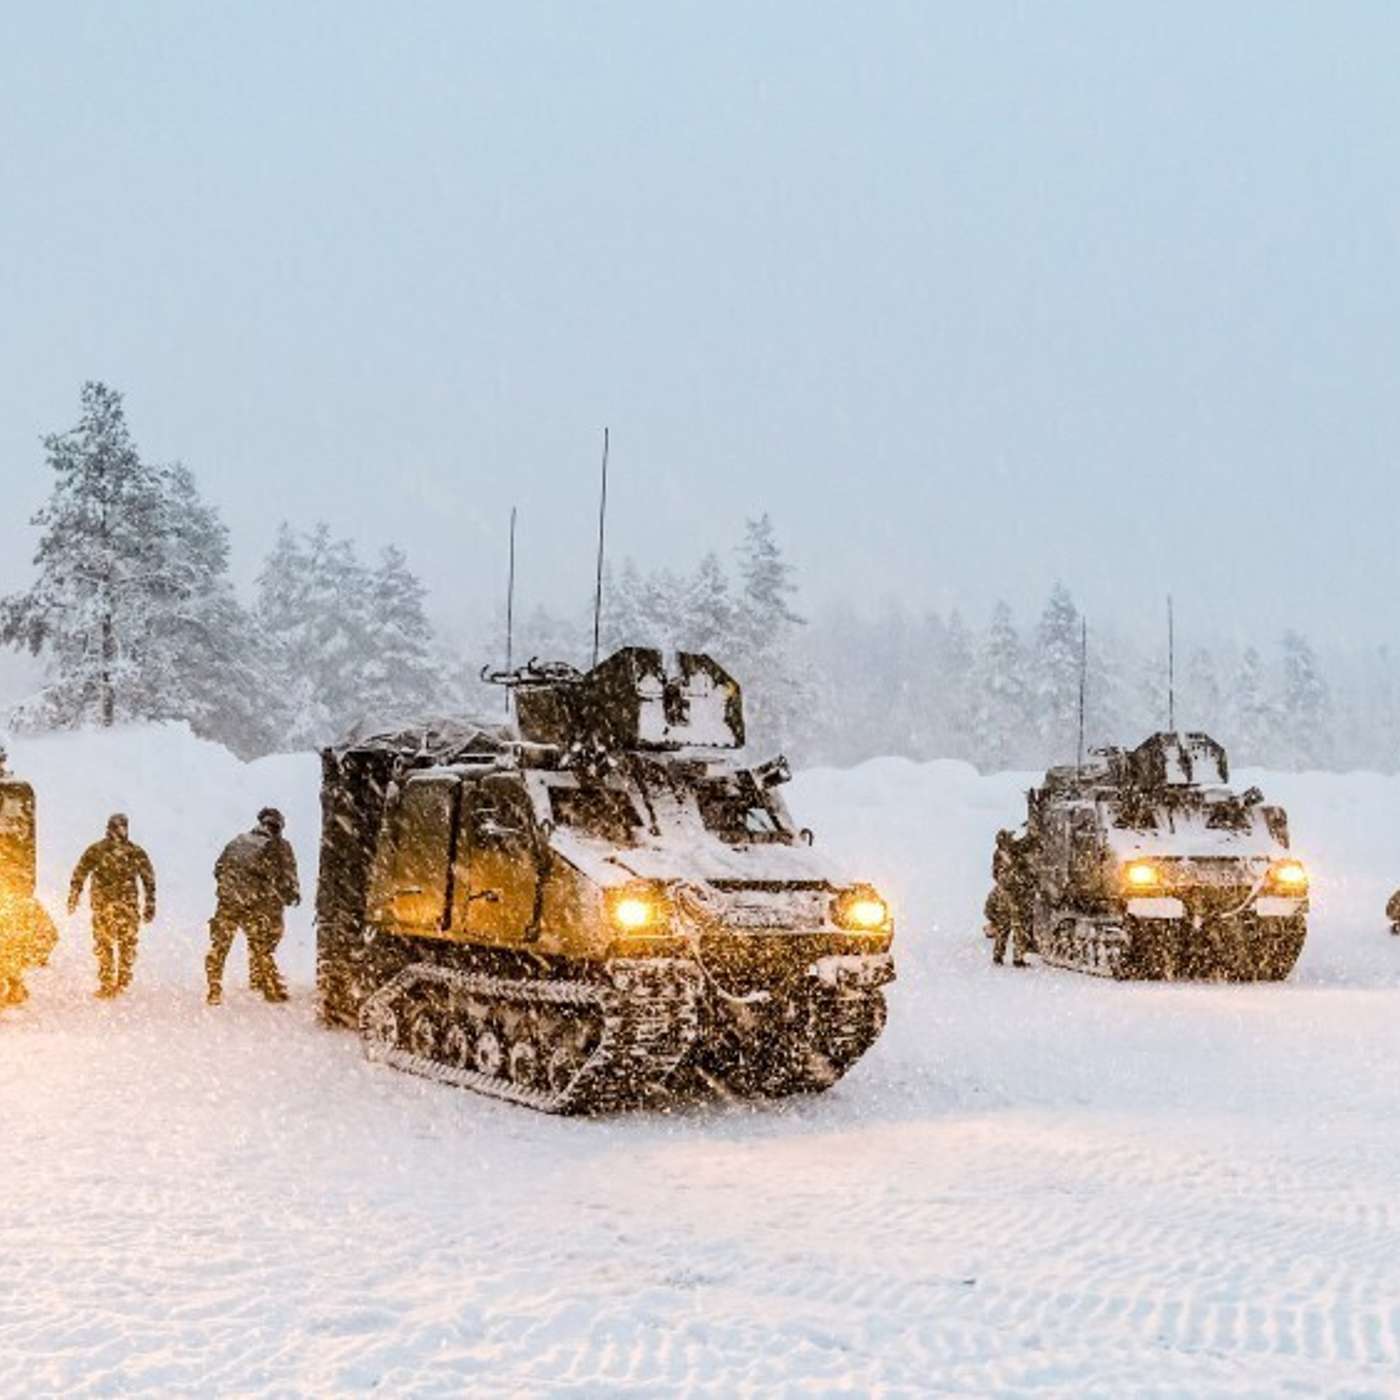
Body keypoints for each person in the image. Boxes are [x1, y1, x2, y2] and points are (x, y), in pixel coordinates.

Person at [206, 807, 300, 1005]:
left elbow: (218, 868)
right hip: (255, 904)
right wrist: (291, 895)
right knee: (262, 946)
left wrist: (231, 890)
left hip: (228, 902)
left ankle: (214, 988)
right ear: (278, 826)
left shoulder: (238, 841)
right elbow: (288, 876)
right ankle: (270, 988)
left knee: (219, 947)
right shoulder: (279, 845)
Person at [68, 814, 157, 998]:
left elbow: (148, 878)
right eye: (116, 826)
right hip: (105, 906)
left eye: (122, 826)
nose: (119, 830)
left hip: (124, 906)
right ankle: (109, 982)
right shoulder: (99, 850)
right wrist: (74, 894)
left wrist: (150, 902)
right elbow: (80, 872)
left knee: (123, 943)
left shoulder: (133, 852)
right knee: (106, 943)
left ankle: (120, 980)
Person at [989, 828, 1033, 968]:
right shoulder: (1008, 856)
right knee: (1019, 927)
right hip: (1012, 896)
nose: (1012, 840)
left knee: (1003, 927)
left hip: (1004, 896)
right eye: (1009, 838)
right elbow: (1010, 875)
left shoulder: (1001, 854)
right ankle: (1018, 959)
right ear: (1005, 841)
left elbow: (996, 875)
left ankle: (998, 956)